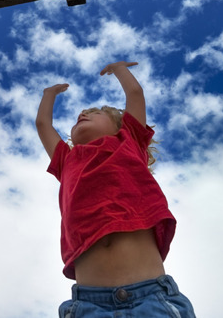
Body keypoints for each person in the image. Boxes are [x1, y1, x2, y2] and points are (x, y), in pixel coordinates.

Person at [36, 61, 195, 318]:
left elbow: (135, 94)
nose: (81, 116)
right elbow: (43, 125)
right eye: (78, 118)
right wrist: (48, 94)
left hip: (151, 297)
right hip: (89, 304)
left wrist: (119, 68)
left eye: (93, 114)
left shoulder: (128, 141)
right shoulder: (67, 161)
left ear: (119, 125)